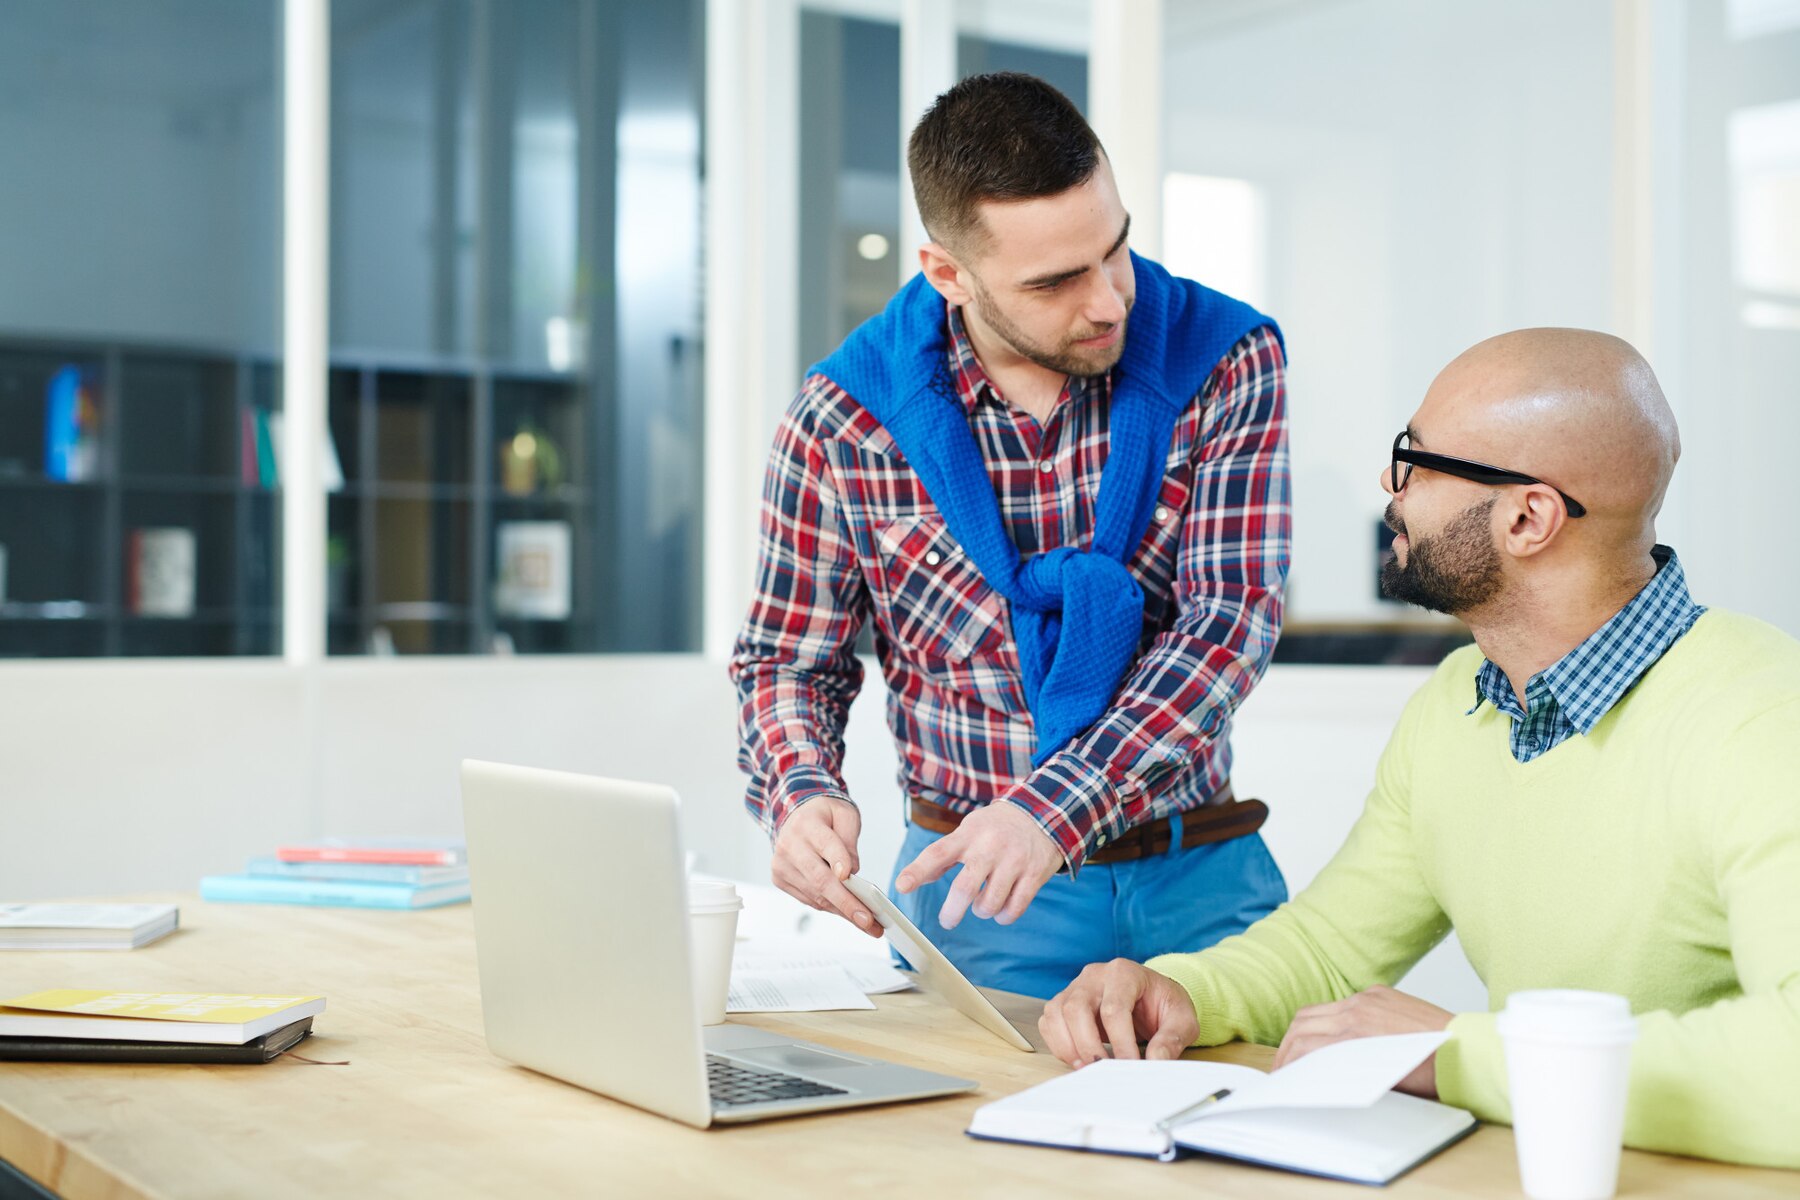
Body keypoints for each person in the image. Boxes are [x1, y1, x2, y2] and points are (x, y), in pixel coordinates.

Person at [1038, 328, 1800, 1167]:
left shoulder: (1762, 717)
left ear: (1527, 517)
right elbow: (1330, 948)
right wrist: (1178, 989)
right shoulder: (1456, 705)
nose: (1388, 485)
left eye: (1416, 460)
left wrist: (1462, 1054)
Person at [728, 72, 1292, 999]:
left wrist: (1052, 810)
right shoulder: (841, 417)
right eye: (1056, 280)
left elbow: (1226, 623)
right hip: (975, 896)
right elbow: (789, 658)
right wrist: (800, 795)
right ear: (948, 274)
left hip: (1201, 875)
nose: (1111, 300)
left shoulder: (1225, 356)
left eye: (1115, 249)